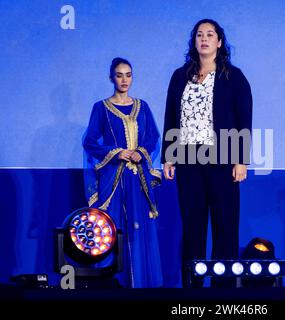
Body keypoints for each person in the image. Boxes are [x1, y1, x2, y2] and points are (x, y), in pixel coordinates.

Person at [162, 19, 252, 287]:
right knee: (193, 228)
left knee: (225, 227)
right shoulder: (180, 76)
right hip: (189, 161)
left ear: (219, 42)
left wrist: (241, 160)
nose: (204, 39)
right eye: (199, 35)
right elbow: (171, 116)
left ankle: (222, 290)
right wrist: (168, 155)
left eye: (210, 35)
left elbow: (244, 119)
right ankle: (192, 288)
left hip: (222, 160)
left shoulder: (233, 76)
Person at [83, 57, 163, 288]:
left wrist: (140, 151)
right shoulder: (101, 108)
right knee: (111, 227)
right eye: (119, 75)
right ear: (111, 78)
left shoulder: (142, 106)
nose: (124, 79)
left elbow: (153, 138)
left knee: (139, 227)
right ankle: (108, 287)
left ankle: (141, 286)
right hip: (113, 179)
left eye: (128, 75)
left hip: (137, 179)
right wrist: (117, 153)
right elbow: (90, 142)